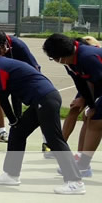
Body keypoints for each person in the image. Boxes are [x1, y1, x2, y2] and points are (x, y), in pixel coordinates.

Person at [0, 47, 85, 195]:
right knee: (18, 131)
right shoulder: (2, 64)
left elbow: (1, 97)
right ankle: (11, 174)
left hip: (45, 99)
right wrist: (15, 121)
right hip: (42, 99)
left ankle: (75, 181)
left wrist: (13, 119)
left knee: (54, 139)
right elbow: (12, 94)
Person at [0, 30, 53, 157]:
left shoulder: (19, 46)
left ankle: (47, 142)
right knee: (15, 122)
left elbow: (35, 67)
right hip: (6, 82)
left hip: (28, 85)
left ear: (5, 44)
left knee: (41, 114)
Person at [43, 33, 102, 178]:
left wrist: (93, 105)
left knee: (96, 122)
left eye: (54, 58)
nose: (56, 61)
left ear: (61, 55)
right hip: (97, 87)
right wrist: (89, 104)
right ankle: (83, 163)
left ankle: (82, 165)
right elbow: (81, 83)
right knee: (89, 118)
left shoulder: (87, 57)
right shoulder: (70, 61)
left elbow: (99, 83)